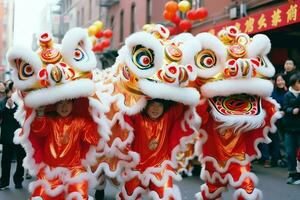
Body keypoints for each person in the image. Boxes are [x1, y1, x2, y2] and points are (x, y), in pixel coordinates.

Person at [117, 99, 189, 199]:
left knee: (166, 196)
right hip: (137, 167)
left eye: (160, 105)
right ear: (145, 105)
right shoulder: (137, 116)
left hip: (161, 166)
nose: (156, 109)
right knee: (128, 196)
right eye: (152, 105)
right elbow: (125, 107)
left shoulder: (169, 115)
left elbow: (185, 101)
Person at [29, 99, 100, 199]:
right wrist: (40, 113)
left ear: (73, 104)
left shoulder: (80, 122)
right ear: (55, 105)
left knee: (80, 196)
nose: (64, 107)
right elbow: (39, 130)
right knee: (40, 196)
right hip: (50, 172)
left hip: (74, 171)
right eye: (61, 103)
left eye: (68, 102)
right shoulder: (49, 121)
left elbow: (92, 138)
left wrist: (98, 118)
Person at [259, 73, 288, 167]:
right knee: (269, 139)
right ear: (275, 82)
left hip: (284, 120)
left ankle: (278, 159)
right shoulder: (272, 92)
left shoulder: (288, 92)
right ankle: (267, 159)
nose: (280, 82)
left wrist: (284, 111)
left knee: (279, 140)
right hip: (272, 120)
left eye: (282, 80)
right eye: (278, 80)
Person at [0, 85, 26, 189]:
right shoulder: (3, 102)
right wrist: (8, 107)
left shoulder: (24, 101)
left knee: (21, 160)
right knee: (5, 161)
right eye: (13, 90)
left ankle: (18, 180)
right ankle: (4, 182)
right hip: (7, 136)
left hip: (21, 136)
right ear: (9, 92)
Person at [282, 73, 300, 184]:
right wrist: (291, 110)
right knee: (290, 152)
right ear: (293, 83)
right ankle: (292, 174)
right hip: (289, 129)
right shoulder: (287, 95)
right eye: (298, 82)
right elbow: (284, 107)